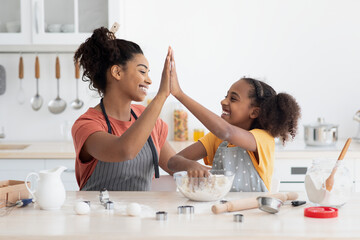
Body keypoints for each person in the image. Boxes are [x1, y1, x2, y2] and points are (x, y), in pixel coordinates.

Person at [167, 52, 301, 192]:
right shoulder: (217, 138)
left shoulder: (263, 139)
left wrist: (179, 94)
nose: (223, 101)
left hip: (254, 212)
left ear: (254, 112)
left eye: (233, 99)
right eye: (226, 96)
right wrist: (191, 165)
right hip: (219, 209)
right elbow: (173, 161)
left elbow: (226, 131)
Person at [72, 26, 176, 191]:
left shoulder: (145, 116)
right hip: (97, 215)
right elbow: (125, 150)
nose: (149, 80)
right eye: (142, 71)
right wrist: (161, 95)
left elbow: (174, 164)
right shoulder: (87, 125)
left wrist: (207, 157)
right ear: (117, 72)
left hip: (139, 213)